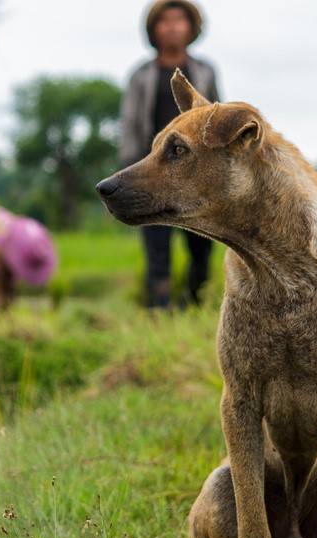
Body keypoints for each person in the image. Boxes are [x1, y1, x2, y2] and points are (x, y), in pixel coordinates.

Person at [121, 1, 220, 308]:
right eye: (165, 21)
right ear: (154, 30)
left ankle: (193, 303)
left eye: (180, 20)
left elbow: (217, 116)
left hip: (194, 174)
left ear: (191, 28)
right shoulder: (141, 75)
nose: (173, 26)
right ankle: (158, 310)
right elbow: (130, 122)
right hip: (153, 172)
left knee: (201, 247)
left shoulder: (204, 72)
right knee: (157, 247)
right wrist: (130, 168)